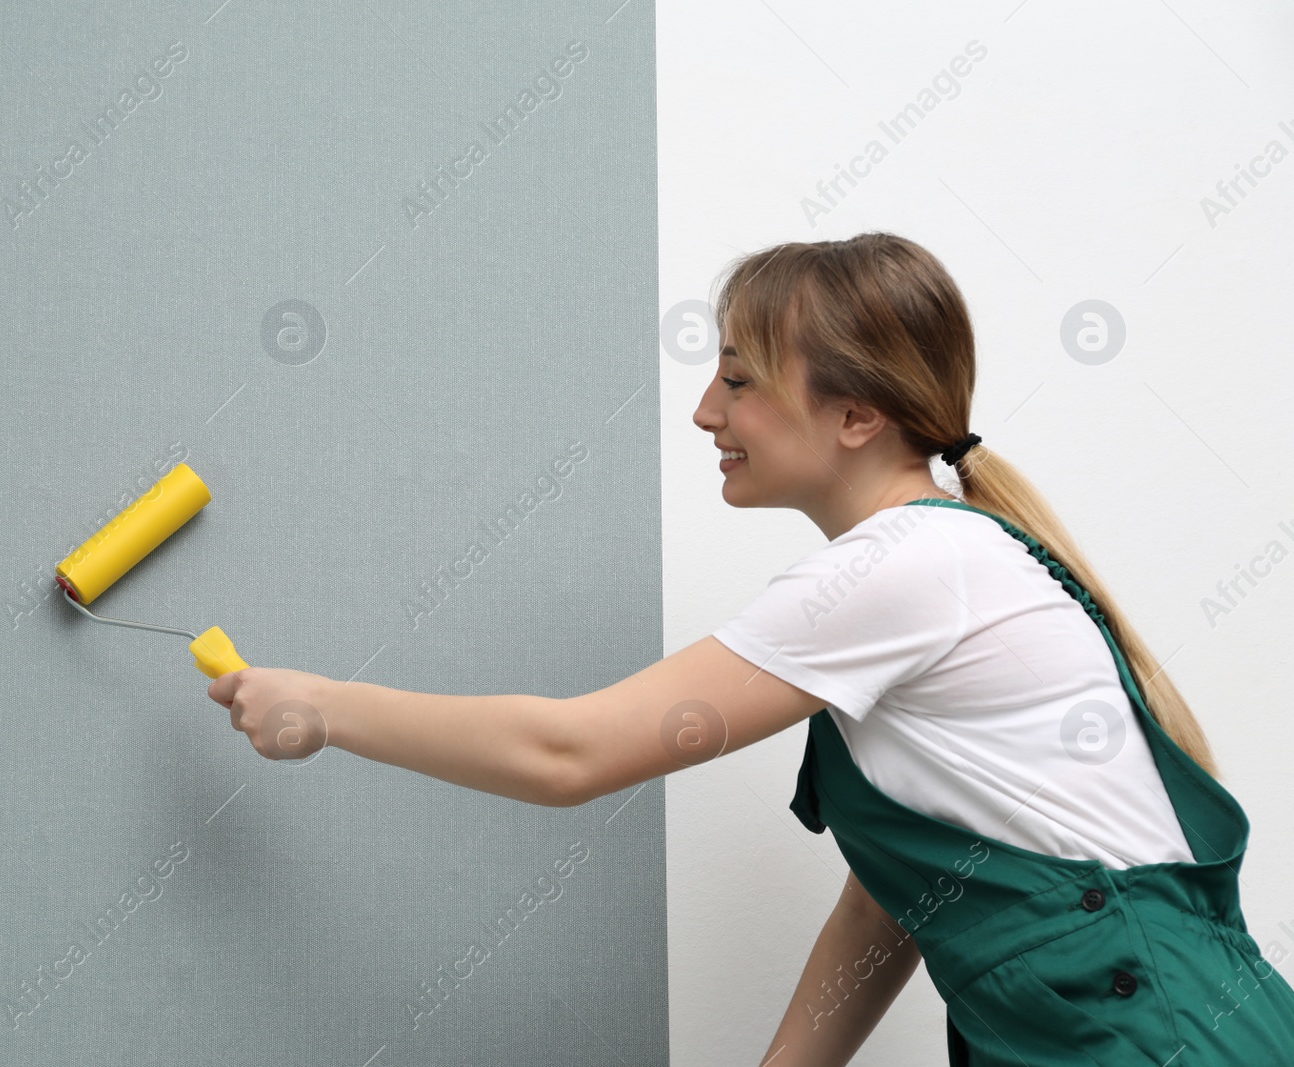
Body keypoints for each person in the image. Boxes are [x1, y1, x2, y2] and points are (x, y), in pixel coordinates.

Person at [206, 232, 1294, 1065]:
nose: (700, 411)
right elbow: (898, 893)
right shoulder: (929, 569)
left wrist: (324, 710)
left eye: (737, 379)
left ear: (856, 415)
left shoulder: (905, 565)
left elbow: (568, 751)